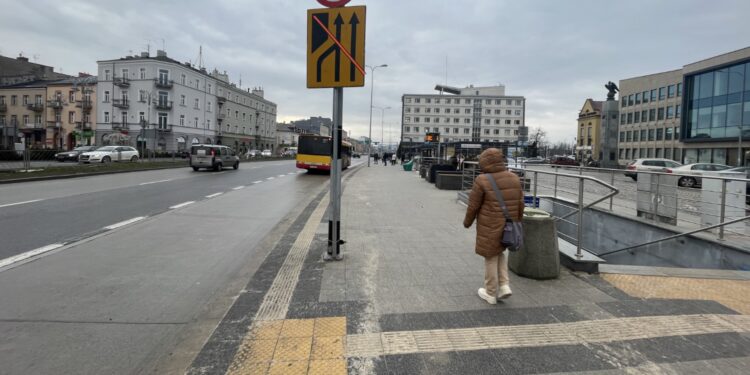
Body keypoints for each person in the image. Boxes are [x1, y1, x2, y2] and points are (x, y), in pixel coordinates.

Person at [463, 148, 524, 305]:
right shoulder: (514, 178)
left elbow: (473, 205)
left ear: (485, 161)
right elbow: (520, 204)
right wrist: (517, 221)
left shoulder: (482, 180)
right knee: (499, 253)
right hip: (509, 225)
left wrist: (467, 222)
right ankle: (504, 286)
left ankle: (490, 293)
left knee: (490, 255)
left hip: (489, 225)